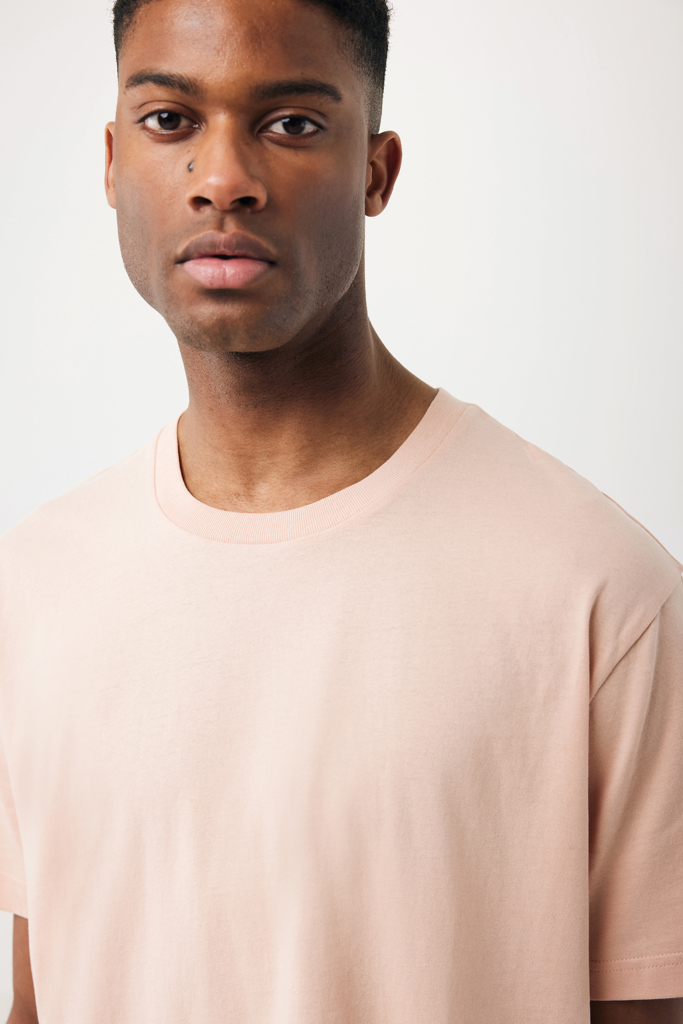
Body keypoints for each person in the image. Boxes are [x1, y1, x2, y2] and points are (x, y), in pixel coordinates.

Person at [1, 0, 682, 1021]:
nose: (222, 179)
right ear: (111, 161)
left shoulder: (598, 592)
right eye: (170, 120)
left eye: (291, 123)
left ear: (375, 170)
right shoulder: (32, 589)